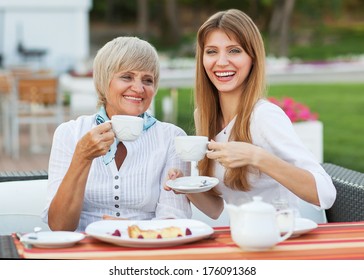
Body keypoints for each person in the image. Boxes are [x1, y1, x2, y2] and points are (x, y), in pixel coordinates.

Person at [166, 9, 336, 220]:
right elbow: (215, 208)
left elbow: (325, 194)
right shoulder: (204, 115)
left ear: (253, 58)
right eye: (211, 52)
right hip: (243, 237)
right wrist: (183, 186)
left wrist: (256, 157)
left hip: (282, 237)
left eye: (234, 51)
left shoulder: (264, 117)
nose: (221, 62)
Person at [41, 36, 191, 232]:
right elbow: (60, 226)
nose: (138, 88)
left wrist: (131, 229)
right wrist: (82, 156)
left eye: (148, 80)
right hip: (85, 252)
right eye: (127, 77)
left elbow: (174, 220)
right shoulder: (70, 133)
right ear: (104, 81)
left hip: (146, 251)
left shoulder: (172, 138)